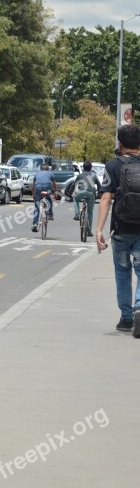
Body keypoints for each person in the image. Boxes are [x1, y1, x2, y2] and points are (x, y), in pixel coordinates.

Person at [96, 124, 140, 332]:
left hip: (121, 229)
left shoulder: (113, 165)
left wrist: (99, 230)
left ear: (120, 144)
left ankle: (126, 318)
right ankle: (139, 307)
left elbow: (106, 197)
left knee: (122, 272)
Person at [72, 161, 100, 235]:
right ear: (91, 168)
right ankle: (89, 231)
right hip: (91, 194)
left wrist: (69, 193)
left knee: (75, 199)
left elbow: (74, 185)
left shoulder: (80, 175)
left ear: (83, 168)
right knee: (90, 212)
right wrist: (99, 194)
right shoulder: (94, 175)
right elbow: (99, 186)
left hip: (81, 193)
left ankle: (77, 214)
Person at [31, 164, 57, 232]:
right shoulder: (51, 174)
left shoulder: (37, 174)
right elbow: (54, 185)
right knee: (50, 198)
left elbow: (33, 186)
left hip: (38, 187)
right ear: (48, 169)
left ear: (41, 169)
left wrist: (33, 194)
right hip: (47, 187)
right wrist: (55, 193)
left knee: (37, 206)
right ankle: (50, 214)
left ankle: (35, 224)